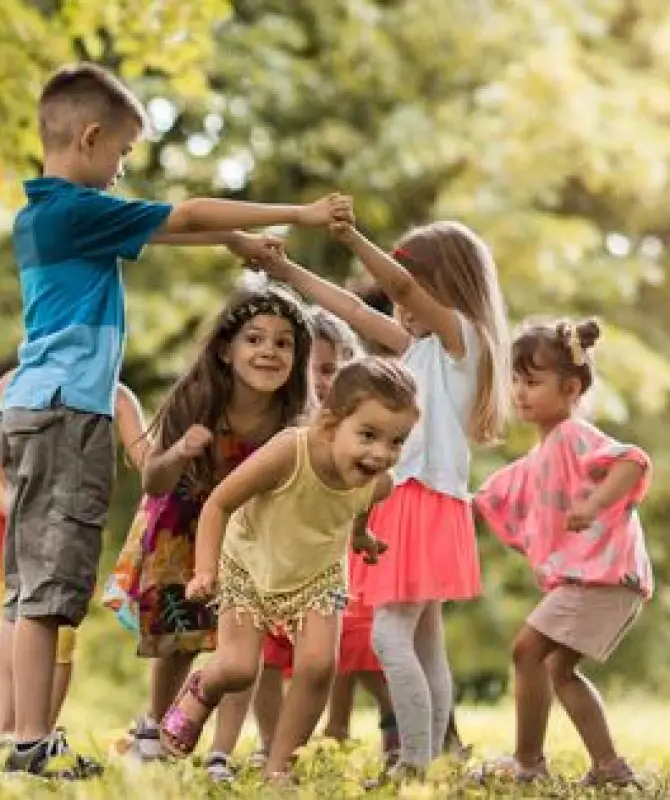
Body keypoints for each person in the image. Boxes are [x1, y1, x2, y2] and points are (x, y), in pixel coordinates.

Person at [0, 60, 350, 777]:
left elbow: (172, 229)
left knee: (35, 587)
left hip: (38, 409)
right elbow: (183, 214)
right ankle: (28, 744)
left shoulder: (47, 216)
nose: (124, 170)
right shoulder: (73, 209)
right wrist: (301, 215)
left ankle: (15, 739)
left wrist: (232, 245)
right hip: (67, 414)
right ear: (91, 137)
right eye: (123, 154)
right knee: (51, 591)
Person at [262, 220, 511, 778]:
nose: (402, 305)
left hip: (421, 501)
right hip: (415, 502)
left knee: (387, 633)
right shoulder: (421, 349)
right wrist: (287, 272)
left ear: (447, 286)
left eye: (416, 287)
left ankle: (414, 763)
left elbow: (397, 289)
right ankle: (430, 759)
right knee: (425, 643)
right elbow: (354, 309)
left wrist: (350, 236)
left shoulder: (462, 341)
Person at [158, 357, 421, 785]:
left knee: (319, 666)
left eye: (396, 441)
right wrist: (205, 570)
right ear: (330, 425)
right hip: (249, 564)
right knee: (240, 668)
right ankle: (202, 687)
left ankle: (280, 767)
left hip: (317, 576)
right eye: (369, 435)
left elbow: (361, 504)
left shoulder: (379, 481)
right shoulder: (290, 450)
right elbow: (218, 504)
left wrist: (360, 536)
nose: (381, 454)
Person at [113, 283, 313, 782]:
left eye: (283, 343)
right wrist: (180, 450)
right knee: (178, 640)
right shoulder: (198, 398)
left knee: (243, 646)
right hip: (181, 530)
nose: (269, 350)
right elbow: (153, 480)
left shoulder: (292, 420)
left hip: (247, 540)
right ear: (226, 349)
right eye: (255, 339)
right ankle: (156, 730)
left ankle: (221, 752)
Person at [474, 318, 651, 789]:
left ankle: (528, 764)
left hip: (602, 576)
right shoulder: (540, 455)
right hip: (603, 580)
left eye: (532, 382)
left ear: (571, 387)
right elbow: (491, 497)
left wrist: (593, 503)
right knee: (556, 668)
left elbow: (632, 462)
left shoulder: (574, 435)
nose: (519, 392)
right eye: (515, 380)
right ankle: (609, 767)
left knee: (526, 651)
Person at [0, 367, 147, 775]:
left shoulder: (113, 393)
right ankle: (3, 738)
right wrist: (18, 510)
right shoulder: (13, 384)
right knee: (5, 637)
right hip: (8, 536)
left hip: (66, 536)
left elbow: (146, 456)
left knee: (59, 639)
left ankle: (36, 739)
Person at [251, 309, 401, 766]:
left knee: (337, 652)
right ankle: (270, 743)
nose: (318, 381)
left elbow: (373, 485)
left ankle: (301, 747)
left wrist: (361, 532)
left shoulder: (353, 436)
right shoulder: (277, 425)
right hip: (269, 561)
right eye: (310, 369)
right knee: (266, 658)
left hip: (324, 564)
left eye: (330, 370)